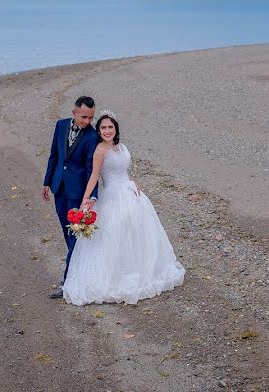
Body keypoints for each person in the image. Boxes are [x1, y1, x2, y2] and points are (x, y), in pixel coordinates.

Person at [63, 111, 185, 305]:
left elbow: (123, 171)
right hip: (112, 196)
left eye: (110, 127)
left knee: (138, 233)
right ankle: (118, 277)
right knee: (116, 234)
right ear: (99, 130)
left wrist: (132, 181)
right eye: (103, 127)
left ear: (116, 128)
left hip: (131, 194)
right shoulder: (100, 150)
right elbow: (94, 177)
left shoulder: (122, 147)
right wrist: (85, 202)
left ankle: (143, 270)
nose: (107, 131)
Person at [42, 96, 100, 299]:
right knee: (67, 235)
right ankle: (80, 272)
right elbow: (54, 155)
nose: (87, 121)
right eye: (84, 116)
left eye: (91, 118)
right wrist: (47, 181)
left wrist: (90, 196)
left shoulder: (92, 136)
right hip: (59, 187)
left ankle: (68, 283)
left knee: (75, 237)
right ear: (74, 112)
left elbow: (90, 169)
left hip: (78, 194)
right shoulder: (60, 126)